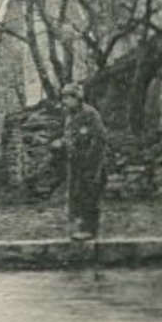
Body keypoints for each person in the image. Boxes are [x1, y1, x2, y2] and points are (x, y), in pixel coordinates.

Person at [59, 82, 108, 241]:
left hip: (91, 163)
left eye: (67, 98)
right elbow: (69, 137)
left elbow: (99, 139)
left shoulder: (90, 114)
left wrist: (90, 161)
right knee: (76, 195)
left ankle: (90, 231)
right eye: (63, 98)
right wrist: (62, 143)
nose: (64, 102)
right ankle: (79, 229)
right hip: (75, 164)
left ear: (77, 98)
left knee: (89, 194)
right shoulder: (70, 116)